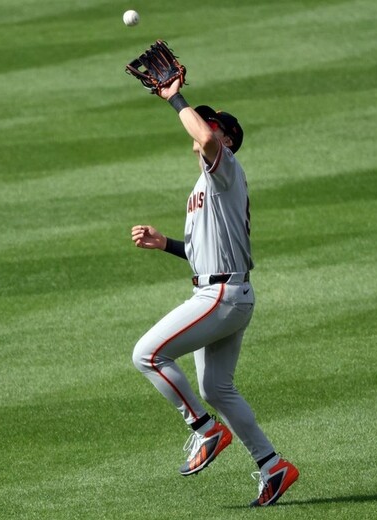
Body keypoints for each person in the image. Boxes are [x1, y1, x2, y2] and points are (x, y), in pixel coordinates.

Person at [130, 78, 298, 507]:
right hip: (227, 291)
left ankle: (205, 430)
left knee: (147, 355)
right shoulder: (205, 186)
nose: (205, 129)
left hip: (221, 296)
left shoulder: (225, 169)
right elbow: (205, 253)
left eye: (214, 126)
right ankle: (273, 466)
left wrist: (174, 98)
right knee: (217, 388)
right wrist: (165, 243)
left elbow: (204, 137)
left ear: (228, 140)